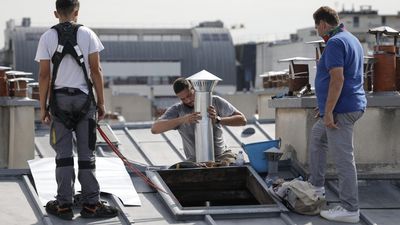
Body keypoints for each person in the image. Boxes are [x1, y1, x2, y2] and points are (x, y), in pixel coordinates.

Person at [35, 0, 118, 220]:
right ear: (77, 13)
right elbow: (96, 70)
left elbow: (44, 76)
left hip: (59, 101)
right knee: (86, 154)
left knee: (63, 155)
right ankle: (91, 204)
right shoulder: (88, 34)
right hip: (84, 100)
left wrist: (43, 107)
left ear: (55, 13)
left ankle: (63, 205)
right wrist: (101, 103)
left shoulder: (46, 38)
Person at [309, 6, 367, 223]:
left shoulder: (334, 42)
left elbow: (338, 79)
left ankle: (350, 209)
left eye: (316, 26)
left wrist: (330, 111)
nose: (317, 30)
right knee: (317, 137)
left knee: (343, 159)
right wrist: (324, 106)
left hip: (342, 110)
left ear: (323, 24)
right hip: (342, 106)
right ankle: (316, 188)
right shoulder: (350, 38)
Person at [151, 77, 247, 163]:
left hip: (222, 157)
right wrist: (182, 120)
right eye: (183, 99)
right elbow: (155, 129)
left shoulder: (215, 101)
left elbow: (242, 120)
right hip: (194, 161)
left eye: (189, 95)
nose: (187, 100)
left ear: (194, 89)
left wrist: (218, 119)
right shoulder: (177, 109)